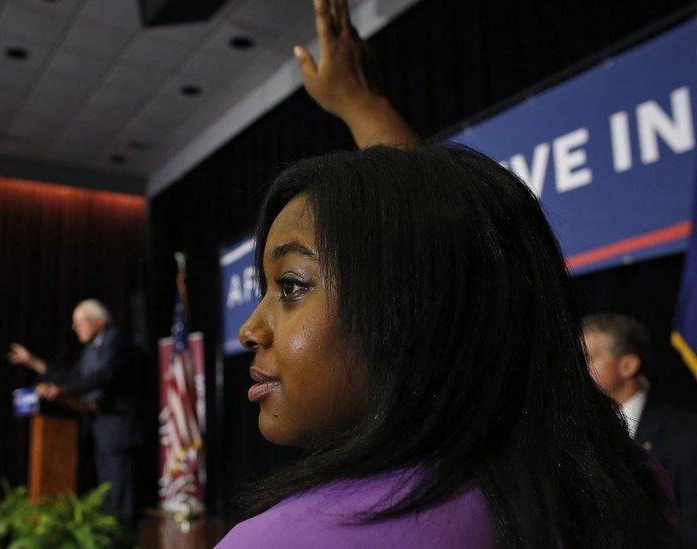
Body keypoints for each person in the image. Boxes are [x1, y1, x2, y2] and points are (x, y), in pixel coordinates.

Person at [217, 1, 679, 546]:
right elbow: (458, 253)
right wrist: (364, 105)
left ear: (414, 312)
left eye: (291, 286)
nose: (250, 330)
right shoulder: (623, 479)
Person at [8, 299, 144, 524]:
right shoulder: (91, 348)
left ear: (98, 321)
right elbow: (74, 377)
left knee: (121, 504)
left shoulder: (116, 338)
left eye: (79, 322)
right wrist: (33, 362)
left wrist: (62, 390)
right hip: (102, 429)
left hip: (119, 429)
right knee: (108, 501)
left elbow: (102, 376)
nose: (75, 327)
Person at [584, 313, 697, 545]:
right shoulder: (580, 433)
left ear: (628, 365)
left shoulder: (685, 433)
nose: (578, 370)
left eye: (588, 358)